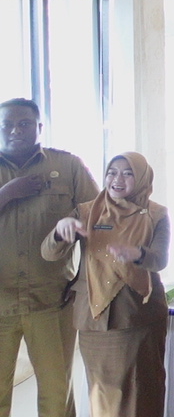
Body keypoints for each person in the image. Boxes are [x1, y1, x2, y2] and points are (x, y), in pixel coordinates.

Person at [43, 151, 169, 417]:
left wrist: (138, 254)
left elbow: (160, 260)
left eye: (127, 173)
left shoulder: (156, 214)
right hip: (94, 317)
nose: (117, 179)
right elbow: (49, 254)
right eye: (112, 172)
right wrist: (60, 231)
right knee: (102, 394)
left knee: (142, 388)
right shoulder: (87, 211)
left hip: (139, 316)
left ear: (142, 177)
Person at [0, 97, 98, 417]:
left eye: (24, 124)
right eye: (7, 125)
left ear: (39, 127)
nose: (15, 130)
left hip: (52, 298)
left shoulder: (68, 166)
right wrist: (6, 194)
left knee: (56, 393)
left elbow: (98, 225)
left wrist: (83, 281)